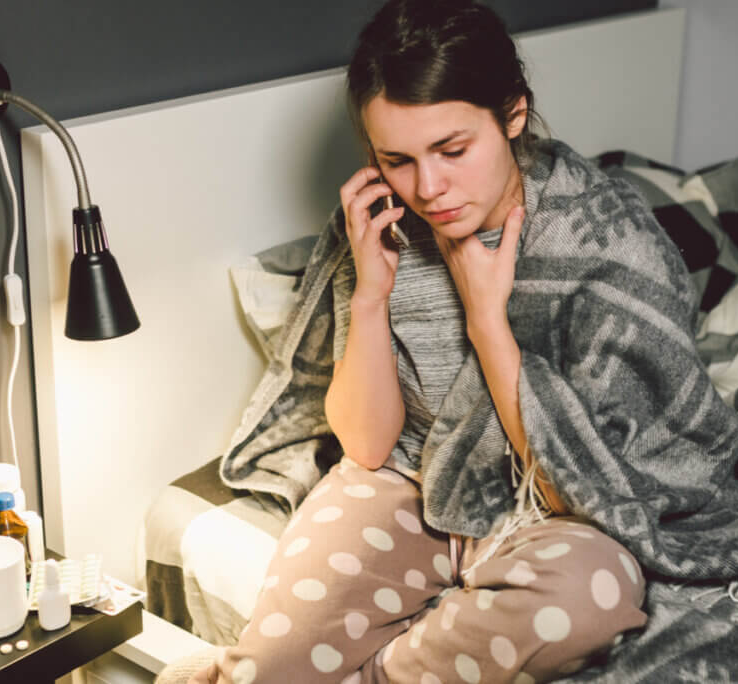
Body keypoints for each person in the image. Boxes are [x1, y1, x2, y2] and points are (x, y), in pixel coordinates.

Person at [191, 1, 652, 682]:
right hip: (409, 481)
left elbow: (573, 491)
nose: (429, 188)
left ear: (513, 116)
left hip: (542, 505)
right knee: (271, 667)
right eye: (396, 159)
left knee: (594, 594)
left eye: (453, 150)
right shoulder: (385, 227)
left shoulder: (603, 242)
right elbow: (369, 447)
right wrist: (372, 293)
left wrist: (487, 322)